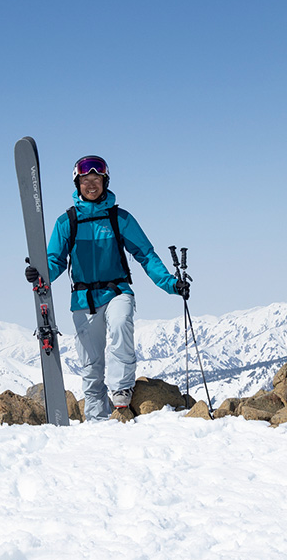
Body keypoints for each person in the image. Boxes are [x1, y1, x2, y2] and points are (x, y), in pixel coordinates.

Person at [25, 155, 187, 421]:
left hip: (117, 291)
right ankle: (96, 418)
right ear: (77, 184)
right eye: (85, 180)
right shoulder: (67, 222)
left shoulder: (119, 218)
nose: (91, 185)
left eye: (96, 179)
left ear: (105, 182)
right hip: (83, 299)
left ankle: (122, 391)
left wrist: (171, 284)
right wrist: (40, 274)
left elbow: (146, 255)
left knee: (121, 323)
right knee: (90, 363)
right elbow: (54, 260)